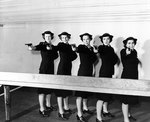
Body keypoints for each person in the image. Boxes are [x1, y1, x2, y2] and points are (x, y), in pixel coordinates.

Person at [26, 31, 58, 117]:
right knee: (41, 89)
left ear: (51, 37)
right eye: (46, 36)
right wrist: (30, 46)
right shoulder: (42, 44)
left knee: (48, 88)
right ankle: (42, 108)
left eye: (49, 36)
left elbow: (56, 56)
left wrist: (51, 50)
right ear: (44, 37)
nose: (48, 38)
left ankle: (48, 105)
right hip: (43, 69)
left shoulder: (53, 47)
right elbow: (35, 47)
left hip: (51, 69)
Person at [94, 33, 119, 122]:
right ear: (102, 40)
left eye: (107, 39)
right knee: (102, 96)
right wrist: (96, 50)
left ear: (110, 40)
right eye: (104, 39)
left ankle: (105, 111)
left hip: (110, 72)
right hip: (104, 72)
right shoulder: (101, 48)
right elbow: (98, 51)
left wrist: (115, 72)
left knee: (107, 94)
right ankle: (98, 117)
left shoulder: (111, 49)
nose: (106, 40)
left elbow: (115, 60)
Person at [75, 33, 97, 122]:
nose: (86, 41)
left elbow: (93, 60)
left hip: (89, 71)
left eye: (87, 39)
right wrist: (74, 49)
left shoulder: (92, 48)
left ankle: (85, 108)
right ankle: (79, 114)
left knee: (86, 92)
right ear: (82, 40)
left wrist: (94, 53)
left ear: (90, 39)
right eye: (84, 39)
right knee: (80, 93)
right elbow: (77, 49)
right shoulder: (81, 47)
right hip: (82, 71)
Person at [55, 32, 77, 120]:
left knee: (66, 89)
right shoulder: (60, 45)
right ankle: (61, 111)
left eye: (66, 37)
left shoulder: (70, 46)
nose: (64, 39)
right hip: (62, 68)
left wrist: (73, 50)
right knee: (60, 91)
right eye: (63, 37)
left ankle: (66, 108)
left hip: (68, 68)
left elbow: (74, 56)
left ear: (68, 38)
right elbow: (56, 48)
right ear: (61, 38)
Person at [120, 37, 141, 122]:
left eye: (132, 43)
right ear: (125, 44)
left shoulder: (134, 51)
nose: (131, 44)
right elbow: (124, 58)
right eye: (129, 43)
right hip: (126, 76)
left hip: (134, 76)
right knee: (125, 99)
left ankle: (128, 115)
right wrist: (126, 54)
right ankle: (126, 119)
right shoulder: (123, 51)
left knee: (130, 97)